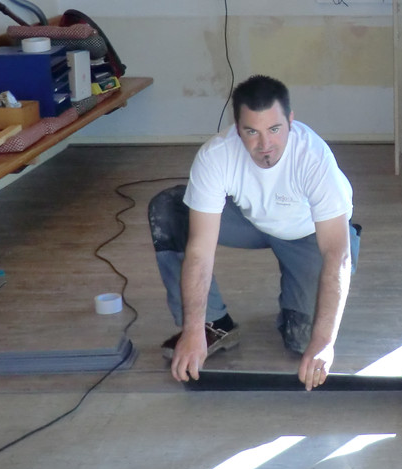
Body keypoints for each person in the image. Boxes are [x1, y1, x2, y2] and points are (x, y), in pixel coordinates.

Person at [148, 75, 360, 391]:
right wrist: (192, 329)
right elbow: (199, 252)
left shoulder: (313, 158)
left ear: (290, 121)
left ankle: (311, 277)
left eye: (274, 129)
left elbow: (335, 253)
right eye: (252, 132)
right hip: (253, 222)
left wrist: (324, 342)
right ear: (237, 128)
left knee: (303, 340)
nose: (265, 145)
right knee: (168, 209)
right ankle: (212, 324)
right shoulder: (216, 155)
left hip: (308, 234)